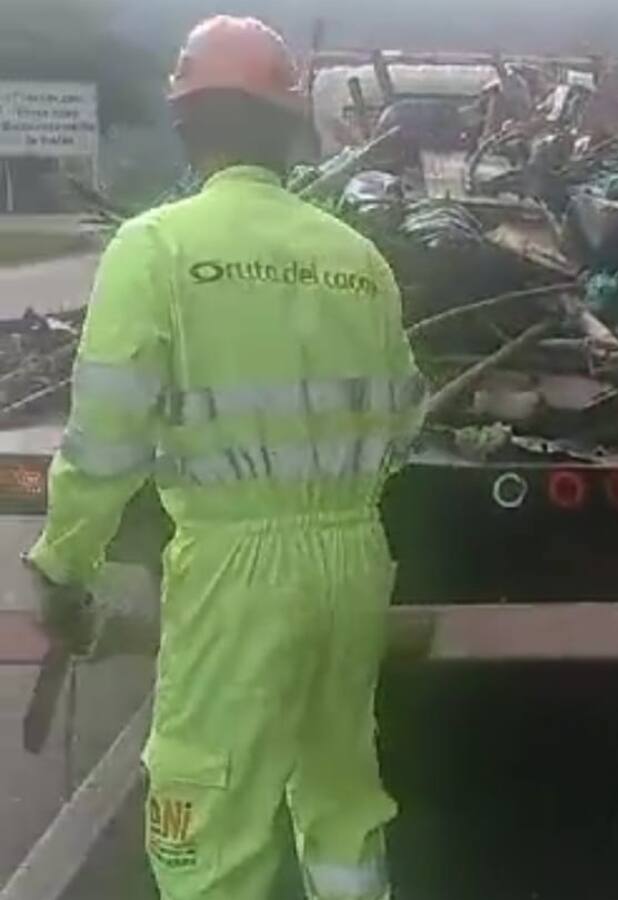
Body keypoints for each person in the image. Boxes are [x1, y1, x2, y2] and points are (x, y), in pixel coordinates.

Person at [24, 16, 425, 898]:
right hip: (353, 561)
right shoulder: (358, 257)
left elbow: (107, 438)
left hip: (237, 574)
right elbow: (403, 420)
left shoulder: (157, 246)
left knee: (208, 818)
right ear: (290, 128)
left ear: (187, 123)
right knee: (341, 794)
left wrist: (64, 562)